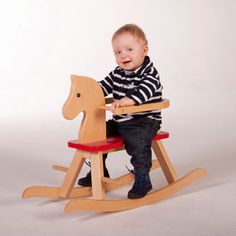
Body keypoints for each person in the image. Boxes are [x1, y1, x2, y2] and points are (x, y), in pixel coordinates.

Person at [78, 24, 163, 199]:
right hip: (121, 121)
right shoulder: (117, 73)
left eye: (129, 49)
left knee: (137, 143)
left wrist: (128, 100)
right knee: (96, 134)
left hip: (144, 121)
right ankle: (99, 171)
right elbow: (102, 87)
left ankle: (142, 178)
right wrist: (89, 91)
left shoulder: (150, 74)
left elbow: (145, 90)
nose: (123, 54)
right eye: (117, 52)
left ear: (144, 50)